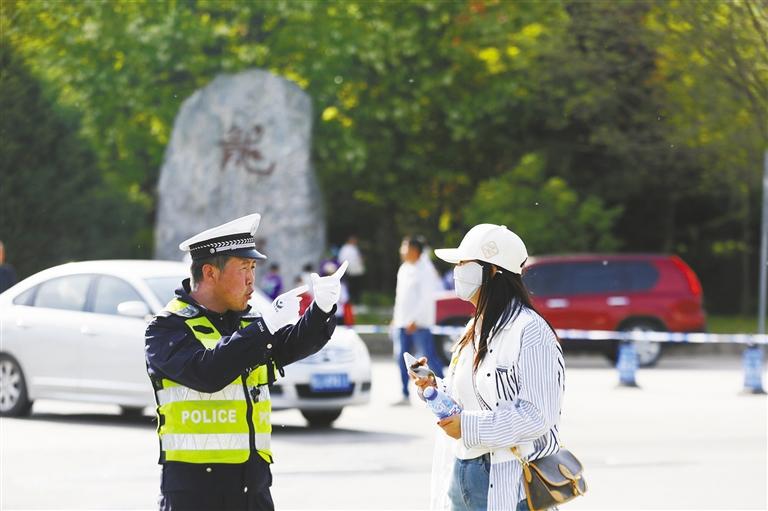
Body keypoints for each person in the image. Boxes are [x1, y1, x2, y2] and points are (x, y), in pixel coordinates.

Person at [145, 213, 347, 511]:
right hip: (196, 491)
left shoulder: (248, 323)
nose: (252, 278)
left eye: (253, 267)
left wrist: (321, 310)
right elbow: (207, 372)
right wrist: (265, 327)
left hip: (253, 485)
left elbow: (291, 346)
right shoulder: (167, 328)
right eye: (243, 268)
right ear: (210, 273)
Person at [412, 224, 565, 511]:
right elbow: (469, 397)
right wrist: (434, 388)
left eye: (463, 263)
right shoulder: (475, 326)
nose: (457, 271)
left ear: (492, 271)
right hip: (463, 472)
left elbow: (538, 415)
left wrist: (468, 426)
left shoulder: (530, 331)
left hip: (509, 480)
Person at [393, 235, 444, 405]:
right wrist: (396, 319)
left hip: (419, 323)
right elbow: (400, 298)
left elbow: (425, 298)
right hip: (402, 322)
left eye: (405, 247)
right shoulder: (404, 269)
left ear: (414, 250)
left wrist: (414, 319)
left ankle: (445, 388)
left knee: (428, 356)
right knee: (401, 358)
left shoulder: (425, 270)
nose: (402, 251)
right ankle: (404, 393)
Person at [338, 235, 365, 302]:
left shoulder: (355, 248)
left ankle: (357, 299)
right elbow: (342, 259)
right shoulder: (345, 249)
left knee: (357, 287)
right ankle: (350, 299)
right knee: (350, 287)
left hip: (357, 272)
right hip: (349, 271)